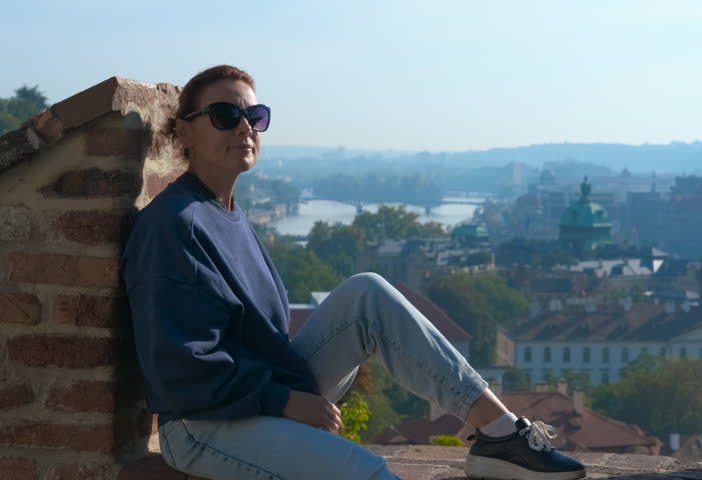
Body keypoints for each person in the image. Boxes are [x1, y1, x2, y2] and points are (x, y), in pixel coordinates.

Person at [122, 64, 586, 480]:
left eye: (255, 116)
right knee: (362, 472)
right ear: (183, 131)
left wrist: (281, 395)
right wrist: (284, 401)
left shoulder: (226, 213)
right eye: (225, 115)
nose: (245, 127)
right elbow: (179, 367)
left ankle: (502, 433)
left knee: (367, 292)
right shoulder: (174, 226)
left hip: (255, 395)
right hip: (203, 422)